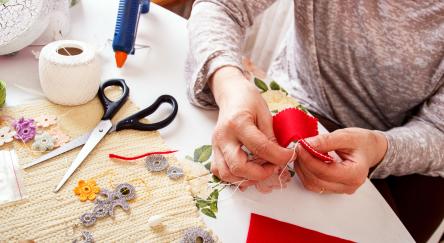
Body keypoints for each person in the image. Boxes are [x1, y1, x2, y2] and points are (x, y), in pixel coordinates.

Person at [185, 1, 444, 242]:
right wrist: (227, 81)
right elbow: (221, 6)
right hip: (283, 105)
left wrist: (381, 148)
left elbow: (438, 130)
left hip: (388, 163)